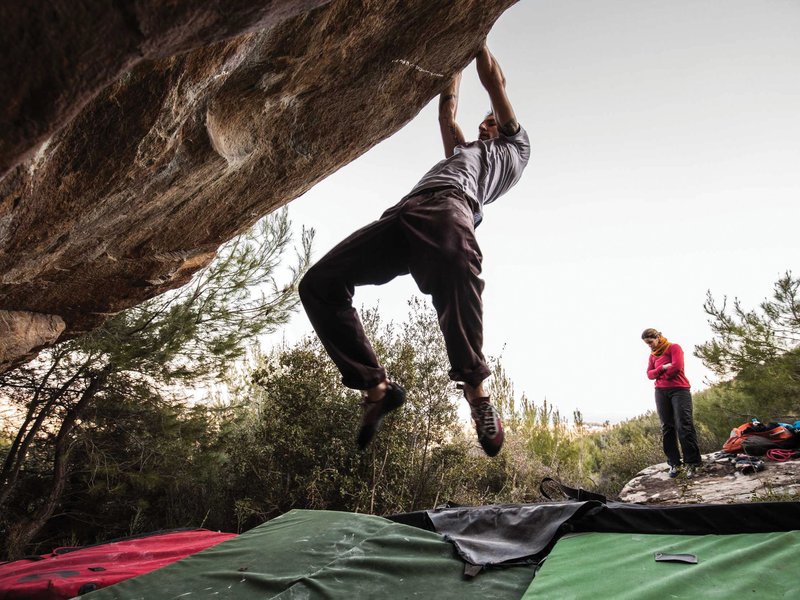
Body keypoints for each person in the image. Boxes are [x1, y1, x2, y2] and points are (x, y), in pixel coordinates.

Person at [299, 43, 530, 456]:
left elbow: (494, 81)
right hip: (403, 214)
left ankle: (477, 392)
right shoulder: (460, 151)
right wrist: (454, 57)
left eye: (490, 123)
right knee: (319, 283)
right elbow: (447, 113)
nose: (484, 126)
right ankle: (376, 387)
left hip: (450, 206)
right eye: (482, 124)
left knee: (457, 263)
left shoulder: (515, 147)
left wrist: (476, 36)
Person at [641, 328, 702, 477]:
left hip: (680, 390)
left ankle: (692, 463)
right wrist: (662, 368)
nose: (650, 346)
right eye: (647, 344)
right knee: (666, 427)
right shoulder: (653, 355)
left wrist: (659, 375)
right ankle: (674, 463)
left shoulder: (674, 347)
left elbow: (676, 368)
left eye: (651, 342)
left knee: (684, 425)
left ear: (658, 337)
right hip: (661, 392)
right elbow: (649, 374)